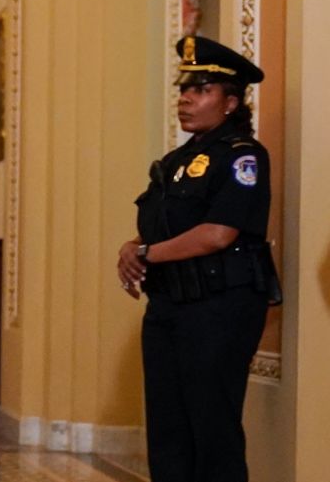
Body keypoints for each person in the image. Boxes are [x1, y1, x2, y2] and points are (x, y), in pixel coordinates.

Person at [117, 35, 281, 482]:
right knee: (167, 431)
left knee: (212, 430)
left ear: (230, 103)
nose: (186, 98)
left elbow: (217, 233)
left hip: (219, 308)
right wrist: (133, 246)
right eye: (184, 89)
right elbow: (166, 226)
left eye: (202, 89)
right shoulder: (176, 161)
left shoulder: (243, 156)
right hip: (169, 305)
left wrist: (147, 253)